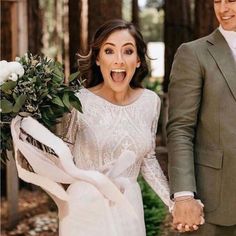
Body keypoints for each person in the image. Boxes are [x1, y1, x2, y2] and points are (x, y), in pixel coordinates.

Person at [11, 19, 172, 236]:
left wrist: (174, 204)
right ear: (97, 59)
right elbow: (59, 157)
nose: (119, 60)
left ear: (138, 61)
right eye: (109, 51)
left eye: (128, 51)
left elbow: (148, 159)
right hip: (84, 210)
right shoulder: (78, 101)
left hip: (129, 207)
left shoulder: (150, 102)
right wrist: (26, 140)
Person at [167, 0, 236, 235]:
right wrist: (184, 194)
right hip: (216, 203)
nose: (223, 9)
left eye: (231, 0)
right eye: (218, 1)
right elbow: (181, 128)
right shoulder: (193, 53)